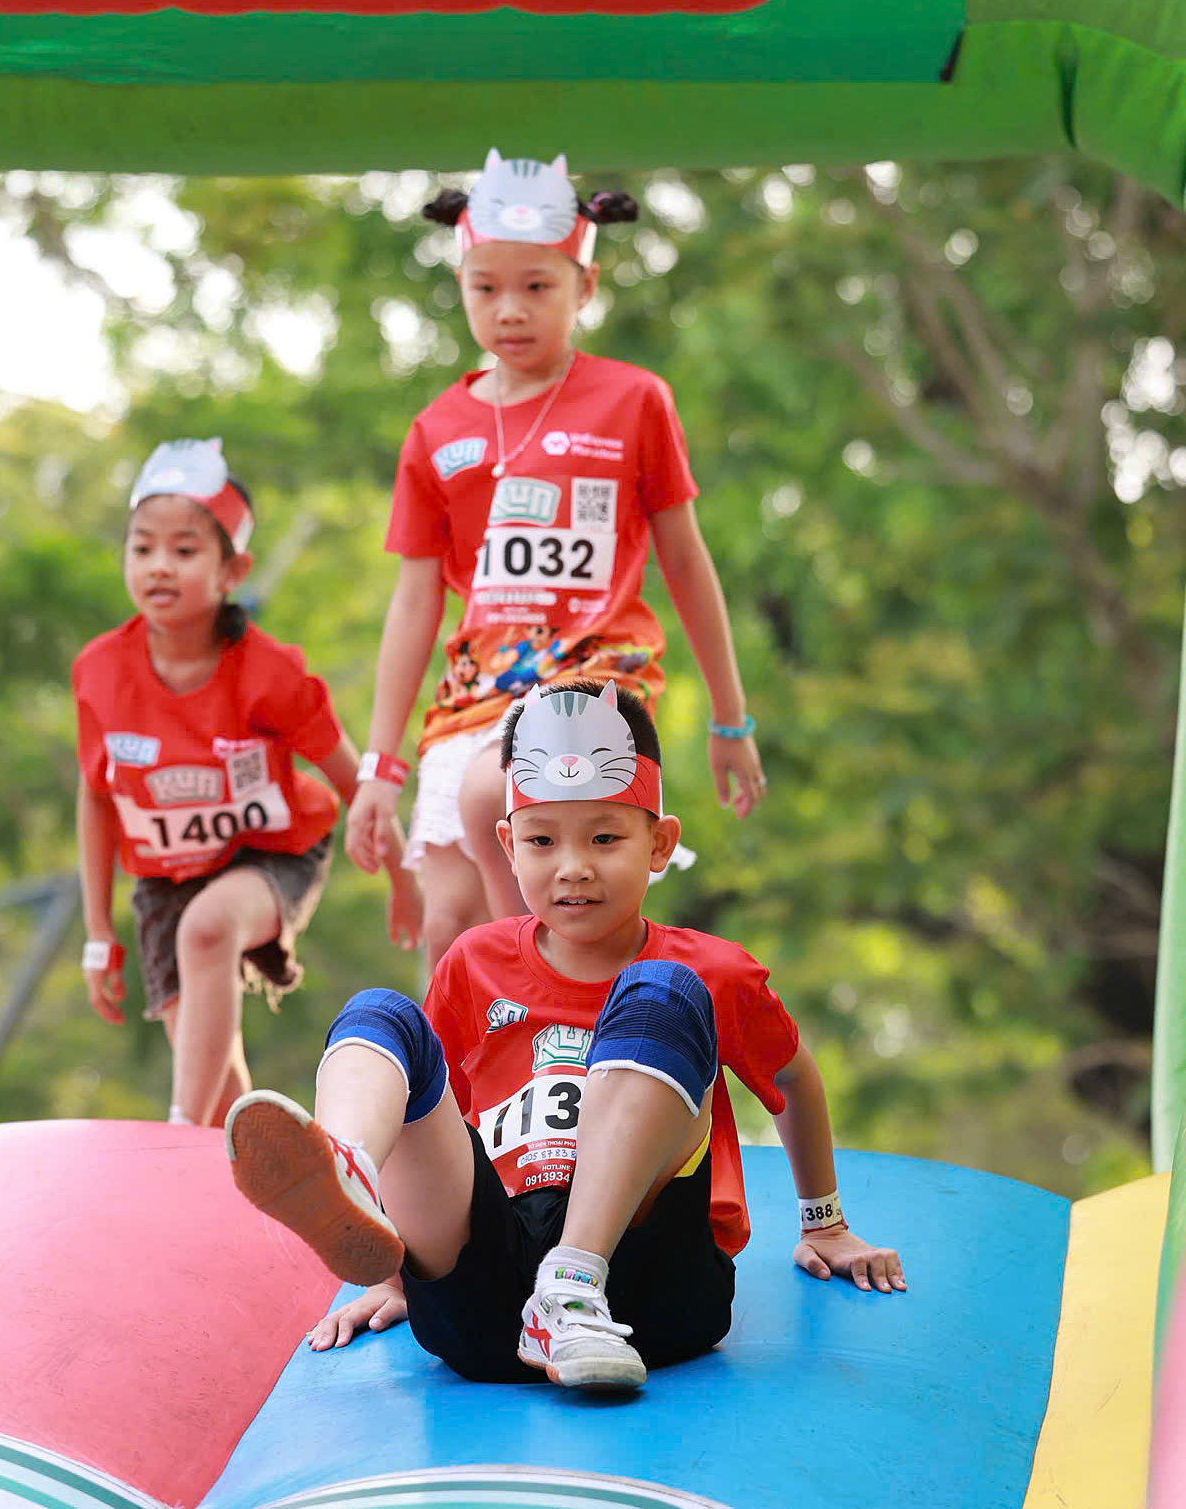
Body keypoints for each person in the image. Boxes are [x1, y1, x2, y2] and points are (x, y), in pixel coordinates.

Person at [230, 679, 902, 1391]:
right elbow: (435, 1128)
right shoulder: (475, 963)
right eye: (542, 840)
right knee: (381, 1016)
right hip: (487, 1304)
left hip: (650, 1292)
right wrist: (402, 1276)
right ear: (507, 846)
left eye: (605, 838)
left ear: (660, 844)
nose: (573, 866)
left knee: (663, 993)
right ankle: (350, 1174)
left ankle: (574, 1283)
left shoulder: (711, 970)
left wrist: (823, 1222)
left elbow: (792, 1076)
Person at [348, 149, 769, 971]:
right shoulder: (437, 429)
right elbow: (414, 604)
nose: (511, 309)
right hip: (472, 693)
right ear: (462, 284)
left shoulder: (633, 400)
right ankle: (470, 1098)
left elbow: (686, 561)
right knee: (450, 930)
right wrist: (379, 767)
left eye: (537, 286)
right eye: (486, 286)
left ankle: (563, 1004)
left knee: (489, 798)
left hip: (593, 677)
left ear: (586, 286)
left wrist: (731, 718)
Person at [75, 439, 424, 1128]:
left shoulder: (270, 674)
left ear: (233, 569)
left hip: (273, 856)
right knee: (224, 1105)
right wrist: (96, 934)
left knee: (207, 935)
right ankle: (273, 1196)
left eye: (184, 550)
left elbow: (354, 779)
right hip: (166, 880)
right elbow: (95, 798)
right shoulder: (99, 672)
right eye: (142, 549)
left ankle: (170, 1140)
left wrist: (406, 881)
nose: (158, 567)